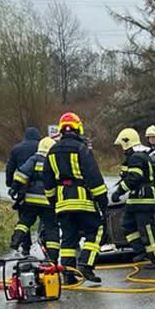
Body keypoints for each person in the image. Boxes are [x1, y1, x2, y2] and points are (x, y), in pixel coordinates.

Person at [44, 112, 108, 284]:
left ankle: (68, 274)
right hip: (83, 201)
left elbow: (47, 182)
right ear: (78, 128)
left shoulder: (52, 151)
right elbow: (93, 176)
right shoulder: (81, 149)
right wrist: (102, 200)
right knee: (96, 230)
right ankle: (86, 264)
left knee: (68, 238)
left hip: (62, 202)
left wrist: (53, 202)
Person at [112, 127, 155, 267]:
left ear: (127, 142)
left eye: (122, 145)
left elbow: (134, 177)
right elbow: (127, 175)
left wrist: (119, 191)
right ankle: (141, 251)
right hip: (136, 198)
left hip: (144, 198)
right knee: (127, 224)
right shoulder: (135, 157)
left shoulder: (137, 157)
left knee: (148, 229)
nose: (122, 149)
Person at [9, 135, 60, 261]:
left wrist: (15, 188)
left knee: (25, 222)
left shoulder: (34, 159)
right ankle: (53, 256)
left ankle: (16, 241)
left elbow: (21, 175)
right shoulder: (54, 161)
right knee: (51, 227)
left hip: (31, 200)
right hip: (48, 201)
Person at [5, 126, 41, 191]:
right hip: (37, 185)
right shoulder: (40, 147)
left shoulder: (16, 148)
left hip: (21, 183)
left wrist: (10, 183)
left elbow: (10, 168)